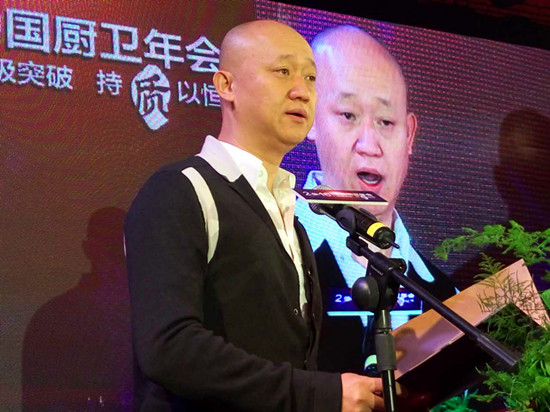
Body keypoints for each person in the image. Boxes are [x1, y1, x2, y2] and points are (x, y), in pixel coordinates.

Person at [125, 20, 395, 411]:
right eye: (283, 71)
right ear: (226, 85)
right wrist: (320, 395)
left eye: (311, 77)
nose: (302, 91)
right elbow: (170, 347)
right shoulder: (180, 190)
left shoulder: (292, 214)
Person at [294, 25, 457, 373]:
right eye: (348, 116)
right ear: (310, 119)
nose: (369, 145)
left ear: (409, 135)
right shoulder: (270, 251)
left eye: (386, 122)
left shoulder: (446, 296)